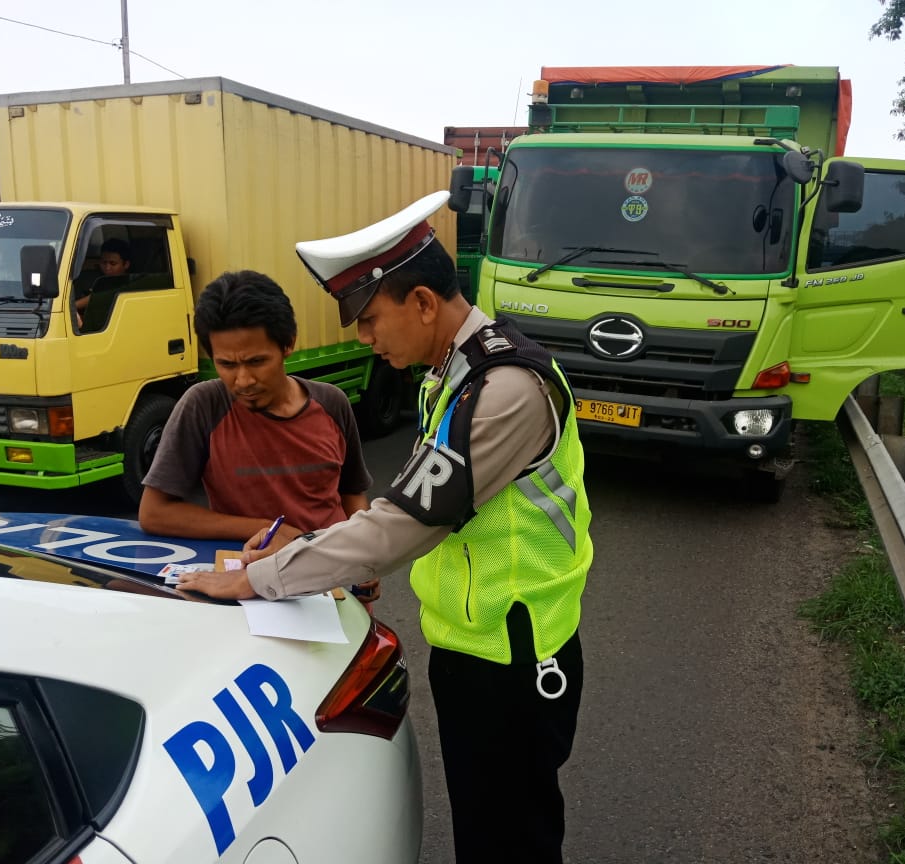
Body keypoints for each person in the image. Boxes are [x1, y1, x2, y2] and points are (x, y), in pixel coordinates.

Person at [177, 192, 593, 864]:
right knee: (487, 829)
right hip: (476, 643)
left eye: (370, 319)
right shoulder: (454, 375)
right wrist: (311, 547)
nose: (364, 339)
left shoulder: (504, 389)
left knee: (511, 838)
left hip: (514, 657)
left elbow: (402, 525)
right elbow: (403, 505)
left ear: (424, 303)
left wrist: (261, 578)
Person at [139, 270, 374, 566]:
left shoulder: (331, 403)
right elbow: (155, 513)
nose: (243, 380)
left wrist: (366, 558)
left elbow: (352, 494)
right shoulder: (204, 406)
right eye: (226, 364)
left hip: (336, 575)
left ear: (288, 344)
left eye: (257, 361)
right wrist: (266, 528)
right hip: (253, 581)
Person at [75, 237, 132, 315]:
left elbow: (103, 295)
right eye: (104, 263)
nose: (107, 268)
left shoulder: (131, 283)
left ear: (126, 264)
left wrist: (73, 306)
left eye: (113, 264)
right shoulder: (91, 278)